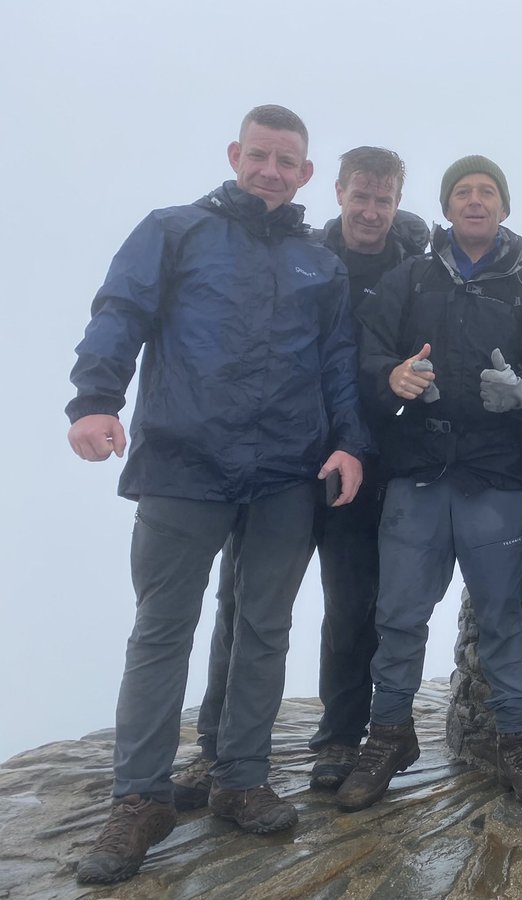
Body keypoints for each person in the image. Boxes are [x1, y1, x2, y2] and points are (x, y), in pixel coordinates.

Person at [66, 105, 371, 885]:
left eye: (287, 160)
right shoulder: (174, 231)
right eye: (260, 155)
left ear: (306, 172)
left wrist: (348, 441)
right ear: (237, 154)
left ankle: (240, 776)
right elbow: (121, 311)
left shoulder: (320, 264)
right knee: (161, 630)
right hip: (182, 464)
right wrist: (96, 397)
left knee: (264, 627)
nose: (272, 170)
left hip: (284, 474)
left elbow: (338, 361)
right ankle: (139, 798)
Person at [170, 147, 430, 809]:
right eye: (361, 197)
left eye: (384, 200)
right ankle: (215, 749)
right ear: (338, 191)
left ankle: (339, 739)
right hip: (281, 459)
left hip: (366, 463)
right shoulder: (303, 255)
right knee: (245, 603)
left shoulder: (412, 270)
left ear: (398, 202)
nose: (371, 212)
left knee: (350, 605)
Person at [336, 155, 522, 811]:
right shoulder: (409, 279)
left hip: (497, 478)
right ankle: (387, 735)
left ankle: (517, 741)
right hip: (420, 476)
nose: (474, 200)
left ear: (504, 206)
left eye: (486, 190)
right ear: (446, 205)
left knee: (500, 621)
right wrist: (393, 378)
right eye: (462, 191)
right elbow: (368, 357)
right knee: (399, 617)